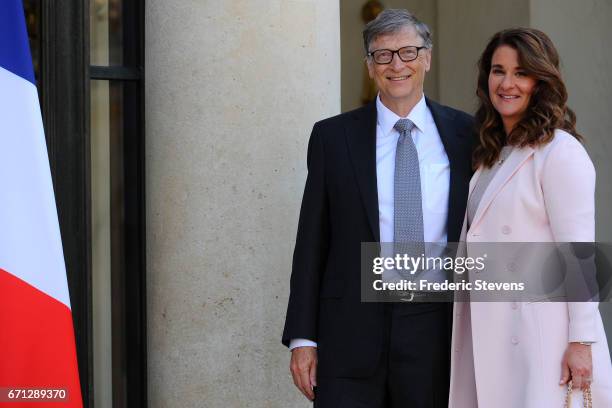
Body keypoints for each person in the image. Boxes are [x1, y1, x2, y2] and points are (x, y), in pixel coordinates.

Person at [282, 9, 474, 407]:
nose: (396, 64)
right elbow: (312, 240)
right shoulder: (332, 137)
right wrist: (303, 337)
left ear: (427, 58)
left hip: (434, 327)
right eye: (383, 55)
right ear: (370, 66)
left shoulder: (467, 135)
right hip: (348, 332)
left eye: (407, 52)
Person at [449, 28, 612, 407]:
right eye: (498, 70)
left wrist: (581, 342)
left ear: (541, 81)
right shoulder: (490, 154)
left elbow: (578, 254)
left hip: (542, 337)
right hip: (489, 332)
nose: (507, 83)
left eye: (521, 73)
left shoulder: (560, 151)